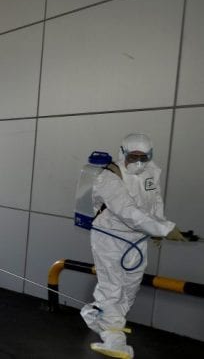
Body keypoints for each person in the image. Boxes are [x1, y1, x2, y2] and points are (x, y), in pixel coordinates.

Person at [80, 133, 186, 359]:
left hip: (137, 238)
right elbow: (127, 211)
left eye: (143, 157)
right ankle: (114, 338)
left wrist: (157, 224)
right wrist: (164, 229)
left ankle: (101, 317)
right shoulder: (109, 177)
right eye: (133, 156)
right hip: (110, 237)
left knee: (130, 287)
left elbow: (154, 200)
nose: (138, 162)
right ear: (123, 153)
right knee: (112, 287)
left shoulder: (151, 172)